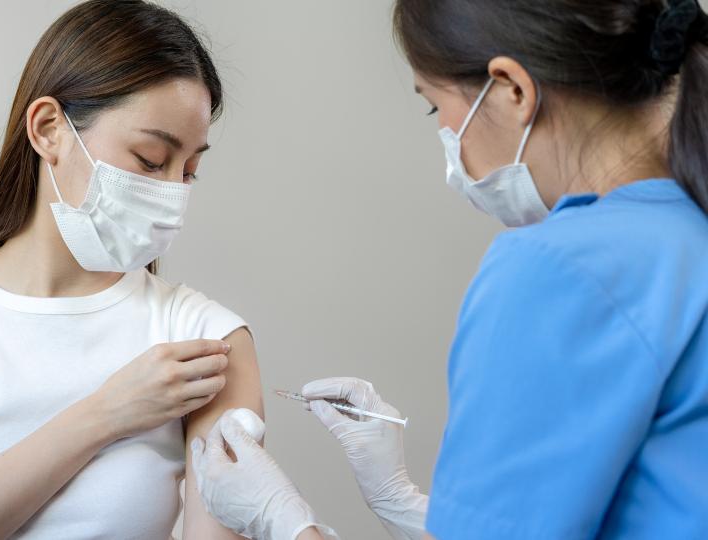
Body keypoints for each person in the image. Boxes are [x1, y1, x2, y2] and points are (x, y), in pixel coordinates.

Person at [192, 0, 708, 538]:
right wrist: (401, 502)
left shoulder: (560, 269)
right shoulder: (684, 235)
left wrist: (284, 521)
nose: (447, 136)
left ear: (512, 89)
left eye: (434, 107)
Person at [0, 1, 266, 538]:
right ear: (47, 129)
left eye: (190, 172)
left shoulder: (204, 340)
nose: (170, 194)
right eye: (152, 159)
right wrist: (105, 414)